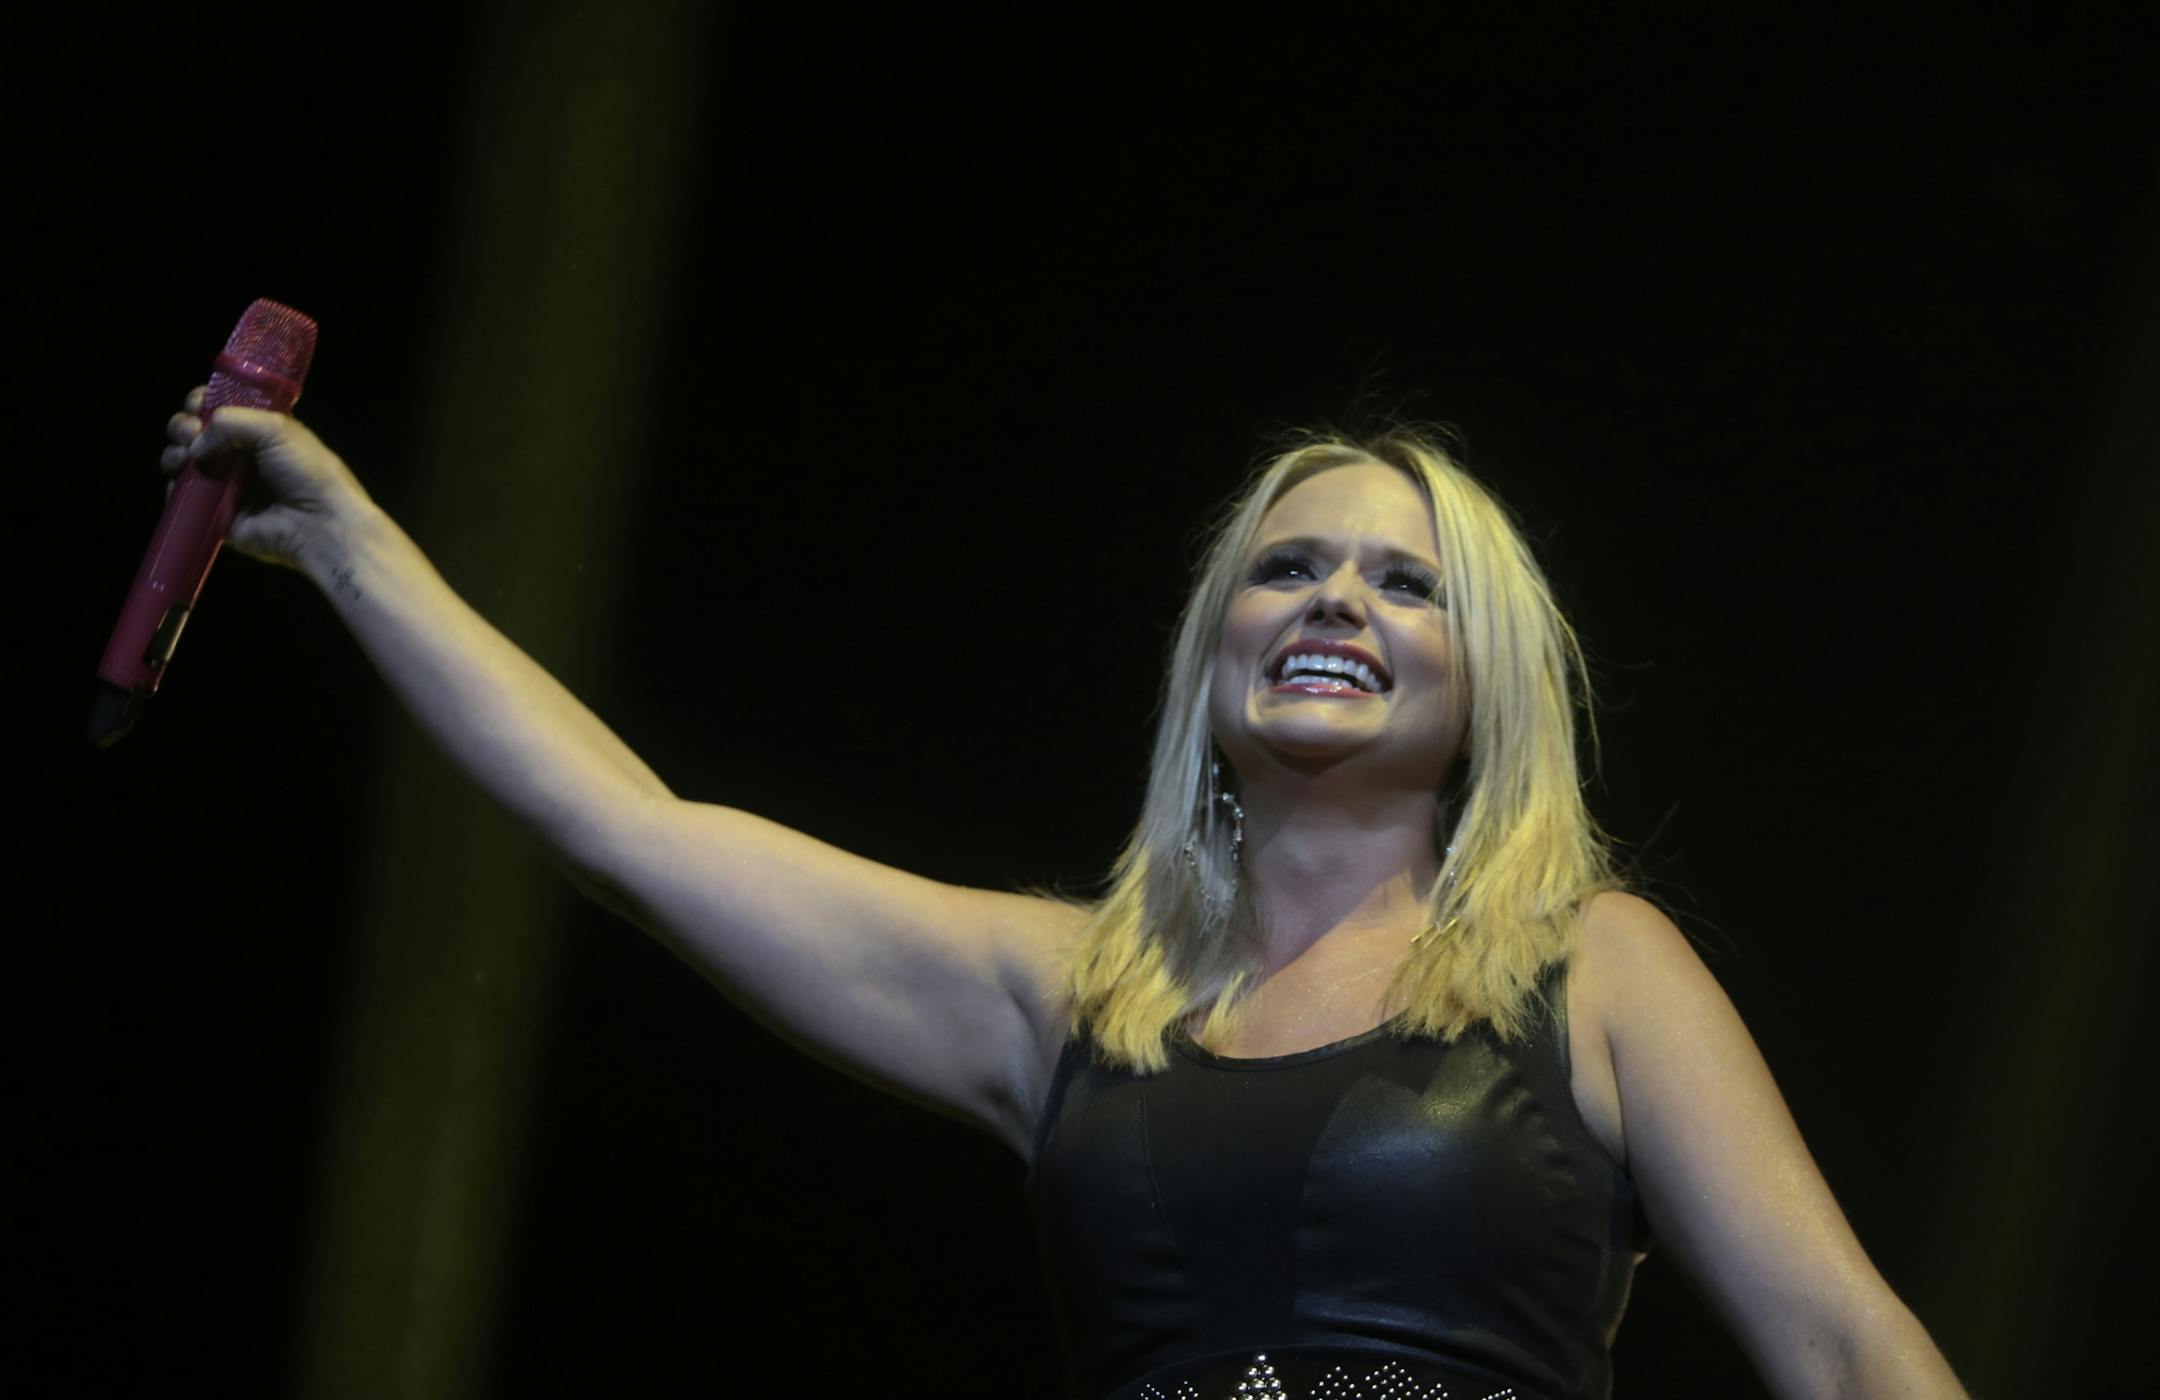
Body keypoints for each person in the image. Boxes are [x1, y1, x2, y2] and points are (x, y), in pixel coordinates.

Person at [162, 391, 1968, 1399]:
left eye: (1404, 586)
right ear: (1216, 651)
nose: (1336, 601)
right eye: (1289, 570)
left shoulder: (1596, 972)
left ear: (1483, 680)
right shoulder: (1062, 996)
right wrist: (342, 542)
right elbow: (626, 826)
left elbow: (1841, 1342)